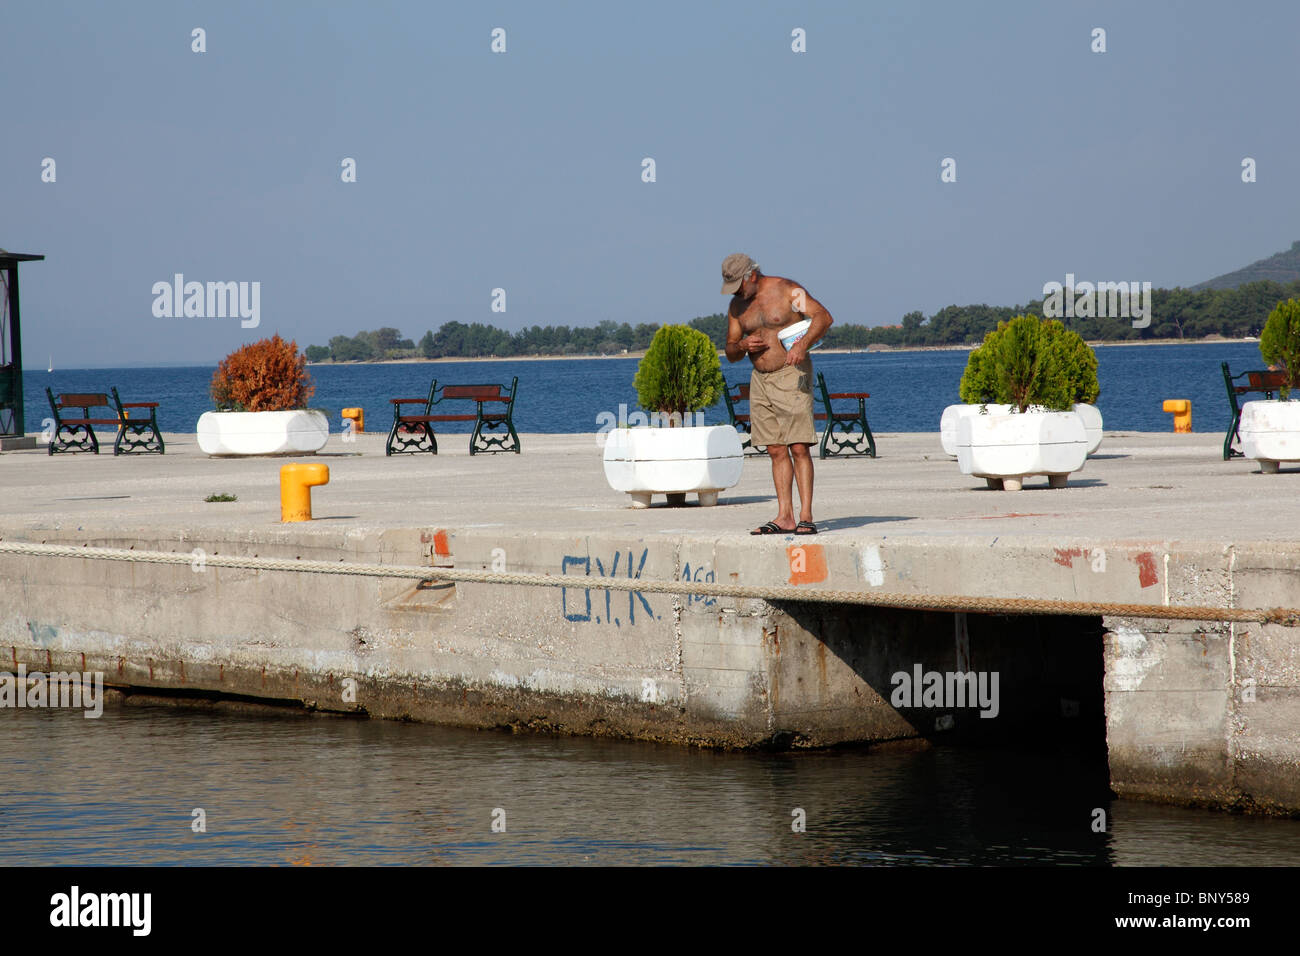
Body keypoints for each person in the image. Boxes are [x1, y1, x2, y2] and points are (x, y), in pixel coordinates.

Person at [720, 253, 832, 535]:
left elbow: (822, 316)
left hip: (791, 374)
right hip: (760, 380)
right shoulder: (736, 307)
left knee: (798, 446)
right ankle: (785, 516)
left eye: (739, 286)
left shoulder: (786, 290)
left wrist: (803, 345)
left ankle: (805, 515)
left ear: (751, 276)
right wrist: (743, 345)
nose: (737, 293)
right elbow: (730, 351)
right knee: (775, 449)